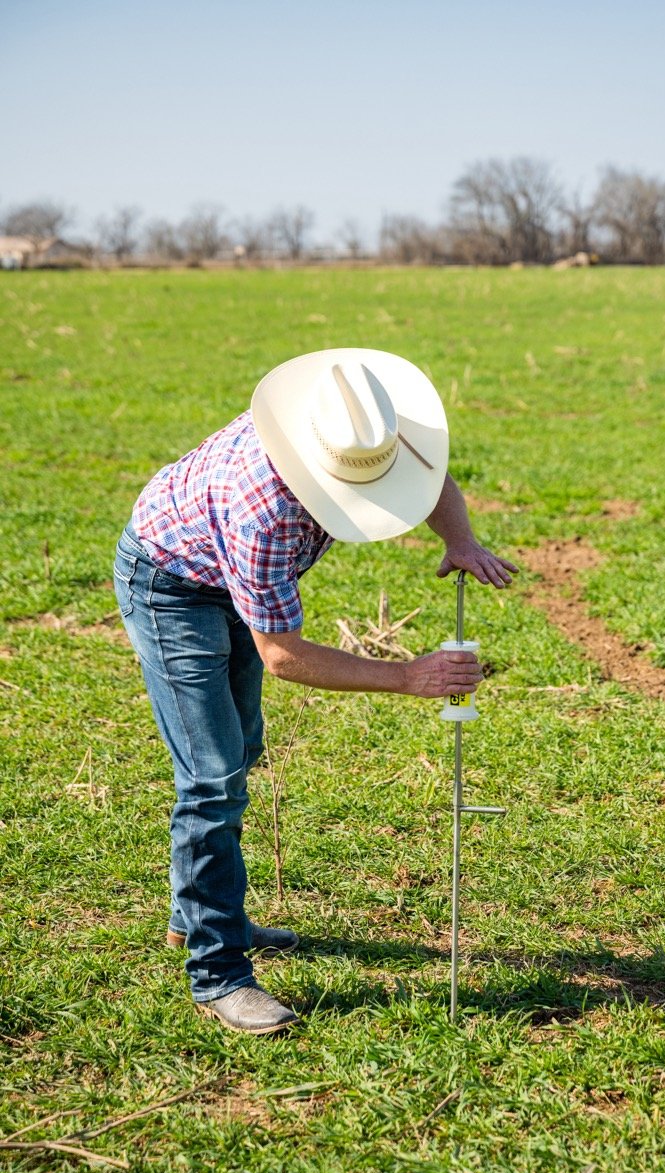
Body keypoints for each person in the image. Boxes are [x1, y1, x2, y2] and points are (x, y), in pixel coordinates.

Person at [114, 348, 517, 1035]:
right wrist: (405, 676)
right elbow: (283, 654)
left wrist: (460, 539)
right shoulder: (263, 513)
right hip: (173, 586)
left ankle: (199, 915)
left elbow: (425, 474)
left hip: (224, 574)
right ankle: (219, 974)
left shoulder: (359, 426)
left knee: (241, 747)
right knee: (211, 777)